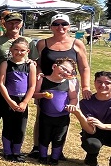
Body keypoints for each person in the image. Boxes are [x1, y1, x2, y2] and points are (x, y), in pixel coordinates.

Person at [30, 13, 91, 158]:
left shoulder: (76, 44)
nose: (60, 27)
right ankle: (38, 147)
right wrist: (38, 74)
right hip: (47, 84)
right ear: (51, 27)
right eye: (56, 24)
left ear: (69, 26)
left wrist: (85, 86)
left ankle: (58, 149)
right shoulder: (42, 43)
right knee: (42, 115)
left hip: (68, 85)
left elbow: (84, 68)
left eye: (64, 24)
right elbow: (37, 64)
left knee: (64, 116)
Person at [0, 12, 39, 153]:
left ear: (21, 24)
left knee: (16, 119)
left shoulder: (28, 41)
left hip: (18, 89)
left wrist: (33, 63)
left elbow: (34, 61)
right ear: (4, 24)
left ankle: (13, 145)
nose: (14, 25)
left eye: (17, 22)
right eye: (10, 22)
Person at [0, 37, 37, 162]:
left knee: (20, 127)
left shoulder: (30, 66)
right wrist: (10, 101)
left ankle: (17, 151)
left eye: (22, 50)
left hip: (22, 100)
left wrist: (24, 102)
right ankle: (7, 151)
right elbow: (1, 83)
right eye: (16, 49)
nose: (19, 52)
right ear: (11, 50)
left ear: (28, 51)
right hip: (9, 100)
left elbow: (32, 86)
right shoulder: (6, 64)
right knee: (8, 125)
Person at [32, 57, 78, 165]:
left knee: (59, 138)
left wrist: (72, 105)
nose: (65, 72)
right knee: (44, 136)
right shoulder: (43, 80)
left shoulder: (68, 83)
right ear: (54, 67)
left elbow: (74, 98)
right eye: (63, 69)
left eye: (69, 71)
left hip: (62, 117)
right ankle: (42, 156)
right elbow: (34, 94)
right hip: (46, 116)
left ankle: (54, 158)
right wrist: (42, 95)